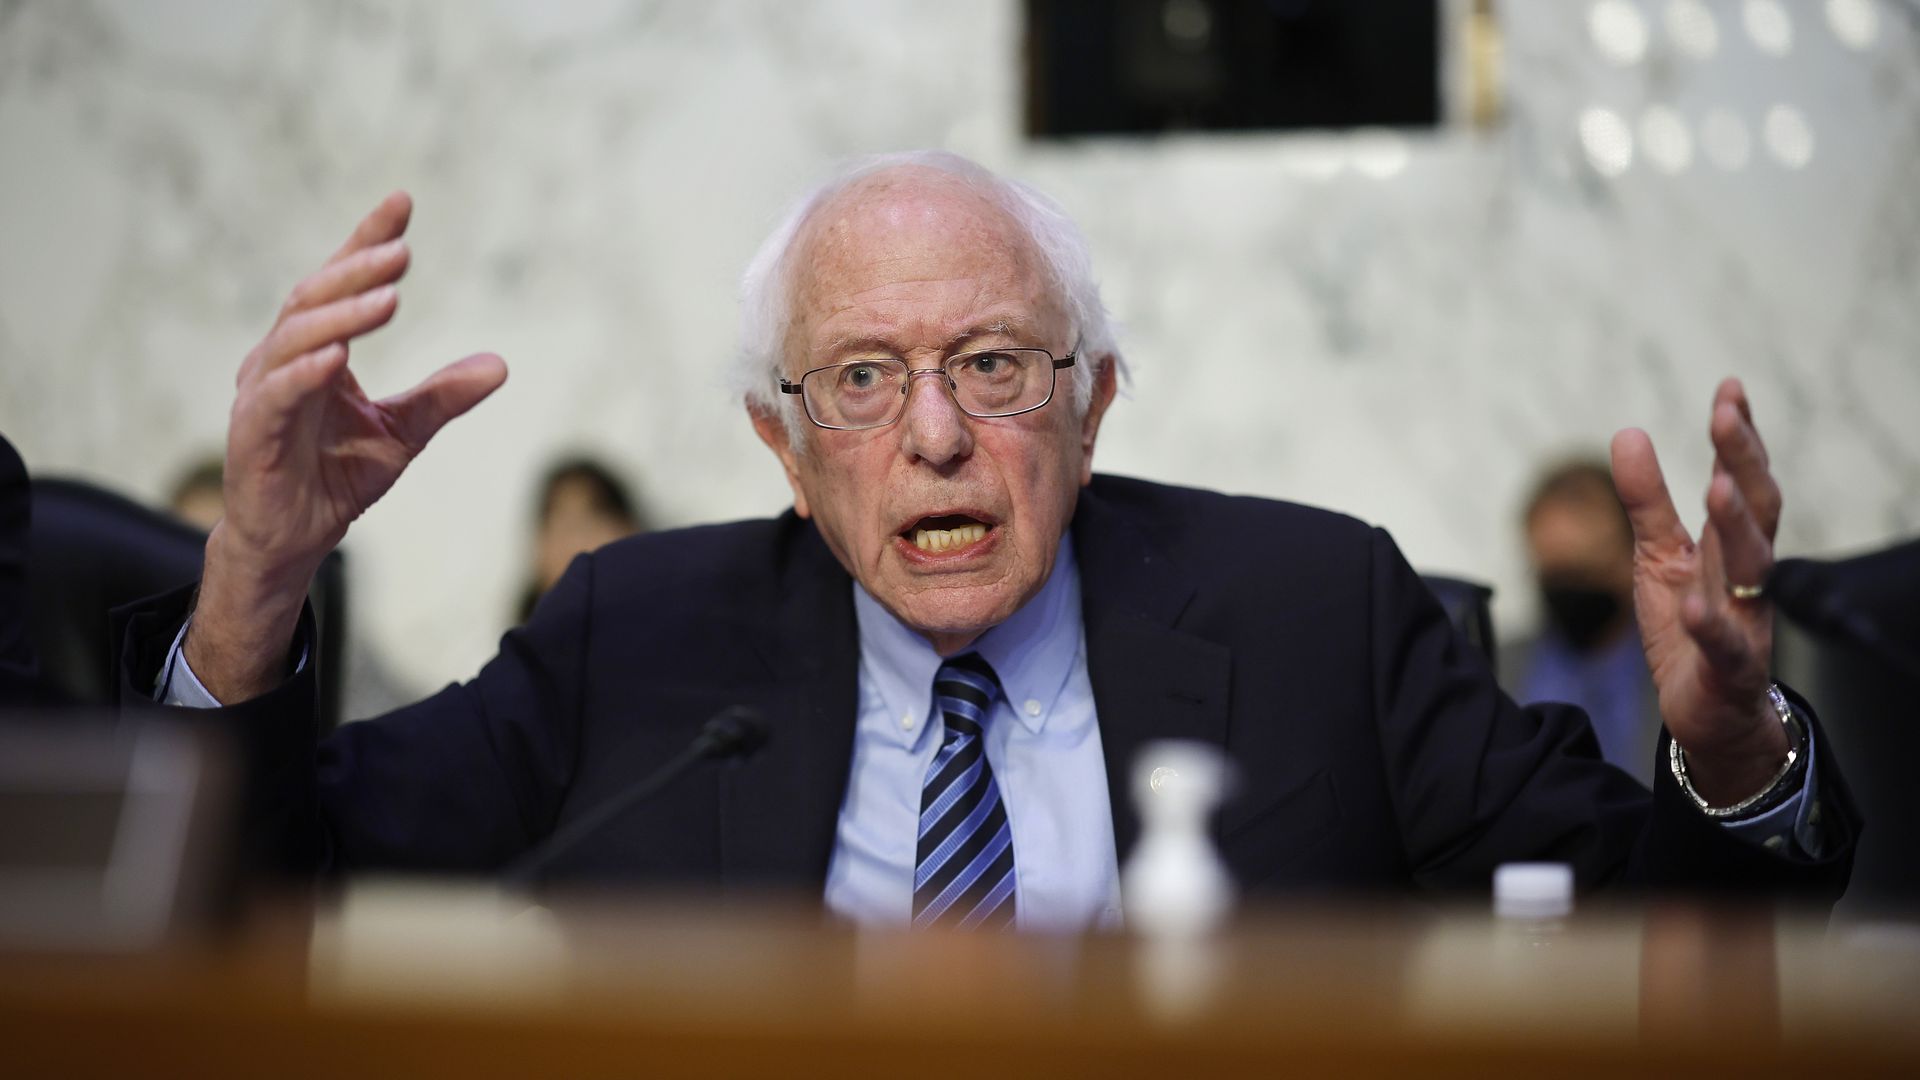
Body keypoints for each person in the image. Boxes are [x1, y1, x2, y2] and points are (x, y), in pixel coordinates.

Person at [118, 152, 1853, 930]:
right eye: (863, 379)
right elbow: (252, 888)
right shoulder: (635, 637)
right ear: (782, 448)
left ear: (1095, 403)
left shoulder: (1320, 613)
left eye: (995, 367)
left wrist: (1734, 753)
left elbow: (1676, 939)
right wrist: (252, 587)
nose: (935, 432)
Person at [1501, 460, 1660, 786]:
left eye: (1584, 572)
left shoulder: (1680, 670)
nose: (1571, 591)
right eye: (1555, 575)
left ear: (1632, 554)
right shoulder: (1499, 671)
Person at [516, 457, 647, 624]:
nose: (576, 545)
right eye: (564, 529)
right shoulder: (516, 644)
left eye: (589, 526)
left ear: (631, 530)